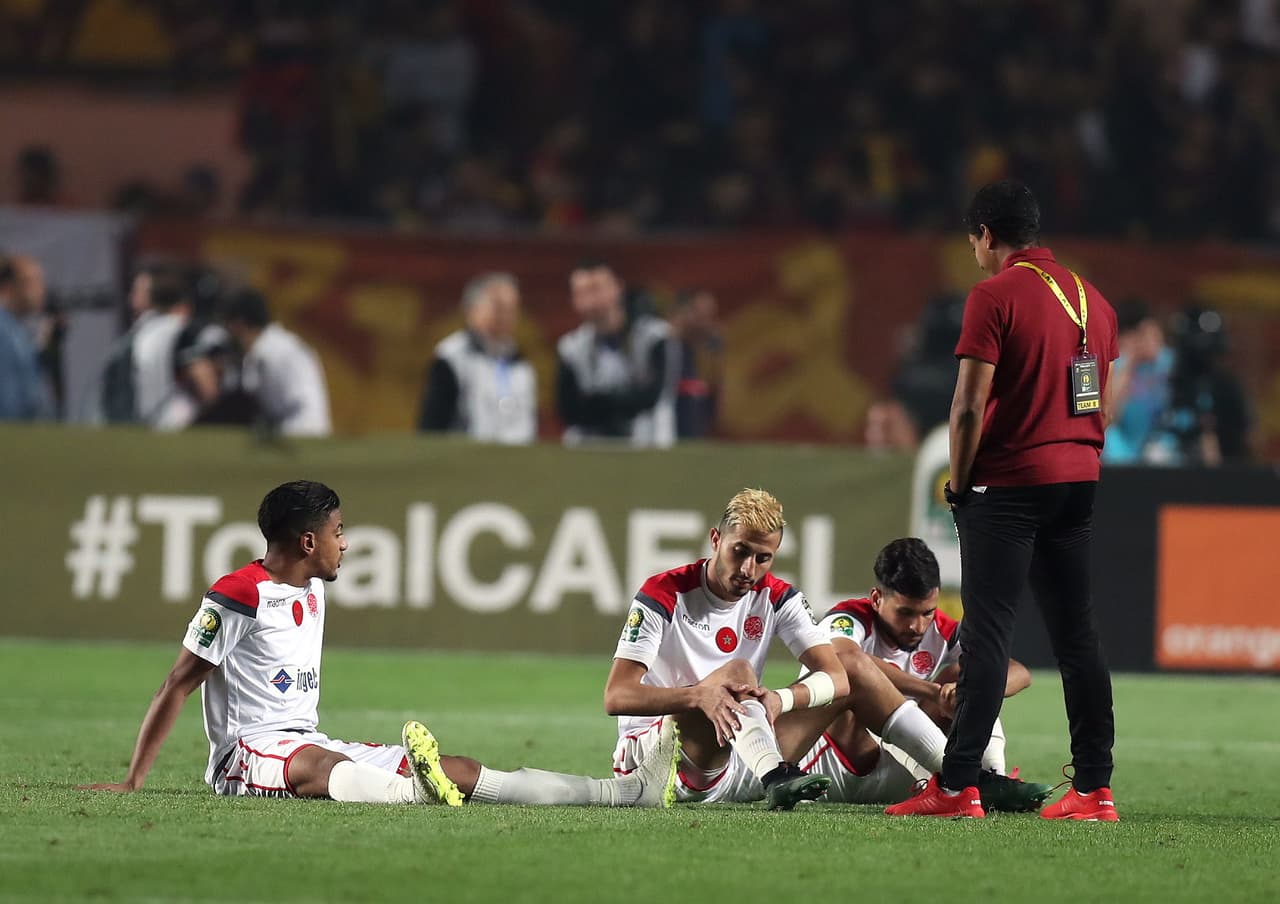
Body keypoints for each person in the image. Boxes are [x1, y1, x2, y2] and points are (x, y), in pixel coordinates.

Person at [80, 480, 678, 809]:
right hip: (247, 756)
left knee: (463, 770)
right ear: (309, 539)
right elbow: (179, 681)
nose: (348, 543)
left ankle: (624, 793)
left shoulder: (313, 589)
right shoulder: (239, 592)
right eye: (339, 532)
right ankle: (411, 794)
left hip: (307, 741)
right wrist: (135, 780)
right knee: (319, 768)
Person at [888, 180, 1120, 820]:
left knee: (988, 633)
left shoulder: (993, 297)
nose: (976, 254)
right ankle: (1095, 791)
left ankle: (959, 786)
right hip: (1080, 479)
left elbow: (967, 407)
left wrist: (959, 484)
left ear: (987, 234)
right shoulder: (1095, 302)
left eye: (975, 242)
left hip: (1011, 482)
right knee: (1078, 634)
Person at [603, 488, 1046, 811]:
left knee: (856, 667)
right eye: (740, 551)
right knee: (737, 673)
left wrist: (782, 698)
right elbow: (617, 696)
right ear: (716, 540)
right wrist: (698, 694)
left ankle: (967, 780)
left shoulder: (777, 596)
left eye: (763, 557)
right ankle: (781, 774)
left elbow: (836, 675)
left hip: (751, 757)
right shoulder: (664, 592)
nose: (749, 569)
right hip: (670, 760)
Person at [820, 537, 1038, 782]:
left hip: (907, 760)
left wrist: (969, 691)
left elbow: (1019, 672)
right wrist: (933, 692)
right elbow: (845, 658)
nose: (917, 626)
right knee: (847, 672)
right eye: (905, 613)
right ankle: (972, 781)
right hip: (840, 767)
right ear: (876, 598)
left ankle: (994, 775)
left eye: (927, 613)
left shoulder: (941, 631)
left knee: (971, 673)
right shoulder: (849, 619)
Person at [556, 260, 676, 448]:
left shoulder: (654, 336)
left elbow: (651, 396)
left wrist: (596, 402)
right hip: (589, 453)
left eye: (596, 289)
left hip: (648, 451)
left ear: (618, 288)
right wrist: (620, 403)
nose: (590, 300)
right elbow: (569, 411)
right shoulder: (571, 347)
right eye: (581, 293)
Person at [418, 272, 537, 444]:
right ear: (472, 309)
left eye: (512, 308)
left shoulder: (520, 361)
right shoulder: (452, 358)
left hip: (516, 462)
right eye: (499, 307)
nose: (506, 315)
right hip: (467, 462)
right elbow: (432, 426)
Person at [222, 288, 333, 437]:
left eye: (228, 326)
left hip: (301, 449)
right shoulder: (254, 356)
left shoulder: (287, 354)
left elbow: (309, 418)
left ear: (240, 325)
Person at [1102, 298, 1175, 465]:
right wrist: (1132, 361)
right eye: (1145, 335)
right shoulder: (1118, 365)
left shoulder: (1169, 362)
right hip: (1123, 453)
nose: (1154, 342)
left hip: (1160, 449)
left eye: (1157, 337)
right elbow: (1109, 413)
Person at [0, 254, 51, 420]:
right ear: (9, 287)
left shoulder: (17, 331)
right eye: (31, 282)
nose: (40, 290)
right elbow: (9, 400)